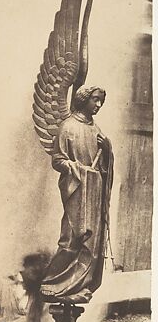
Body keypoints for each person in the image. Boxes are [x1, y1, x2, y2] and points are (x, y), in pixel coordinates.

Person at [41, 86, 114, 303]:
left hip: (94, 193)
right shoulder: (68, 127)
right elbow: (58, 160)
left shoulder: (97, 131)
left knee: (91, 242)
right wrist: (78, 169)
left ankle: (79, 285)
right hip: (78, 189)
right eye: (95, 100)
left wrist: (108, 151)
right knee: (71, 238)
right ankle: (52, 282)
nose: (98, 105)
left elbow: (104, 167)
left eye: (101, 101)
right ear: (84, 99)